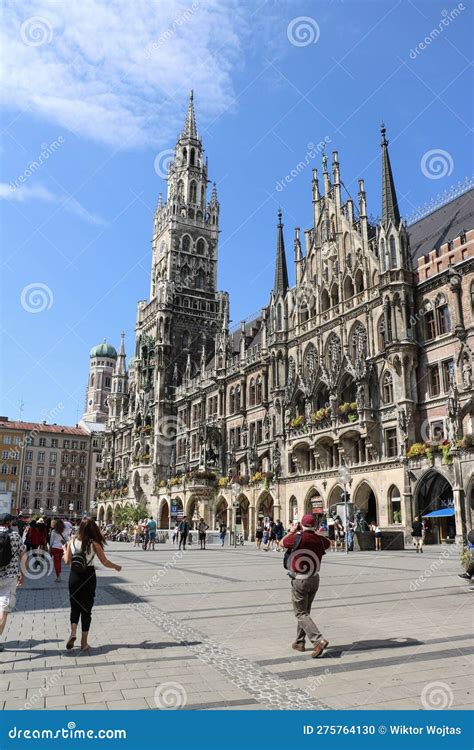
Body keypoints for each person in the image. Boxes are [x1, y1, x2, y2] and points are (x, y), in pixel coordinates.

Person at [63, 518, 122, 652]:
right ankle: (84, 643)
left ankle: (73, 633)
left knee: (74, 607)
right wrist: (116, 567)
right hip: (88, 576)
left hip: (74, 576)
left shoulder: (72, 541)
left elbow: (67, 561)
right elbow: (105, 562)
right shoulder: (95, 544)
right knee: (86, 610)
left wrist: (64, 551)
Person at [280, 514, 331, 658]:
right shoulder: (320, 539)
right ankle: (299, 642)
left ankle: (318, 640)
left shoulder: (297, 537)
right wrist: (317, 533)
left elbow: (281, 543)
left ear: (301, 524)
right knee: (305, 611)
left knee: (300, 613)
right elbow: (329, 543)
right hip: (315, 578)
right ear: (314, 525)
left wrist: (291, 531)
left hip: (300, 579)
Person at [0, 513, 27, 651]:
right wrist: (22, 574)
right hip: (9, 577)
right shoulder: (15, 536)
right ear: (9, 523)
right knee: (3, 610)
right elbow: (23, 556)